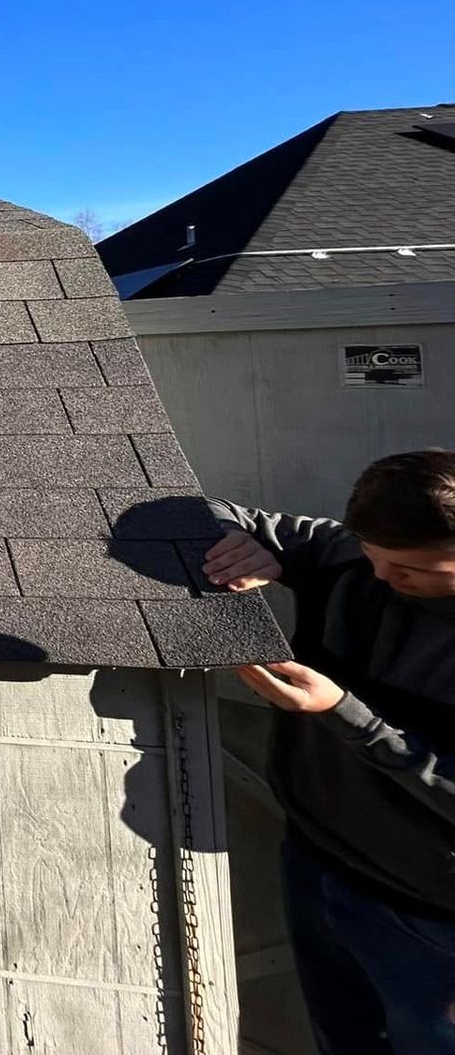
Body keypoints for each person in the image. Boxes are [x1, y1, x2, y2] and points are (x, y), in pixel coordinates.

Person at [203, 449, 455, 1055]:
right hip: (314, 863)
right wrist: (245, 544)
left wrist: (345, 713)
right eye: (374, 554)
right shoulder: (348, 554)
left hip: (429, 919)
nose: (381, 577)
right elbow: (196, 513)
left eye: (414, 570)